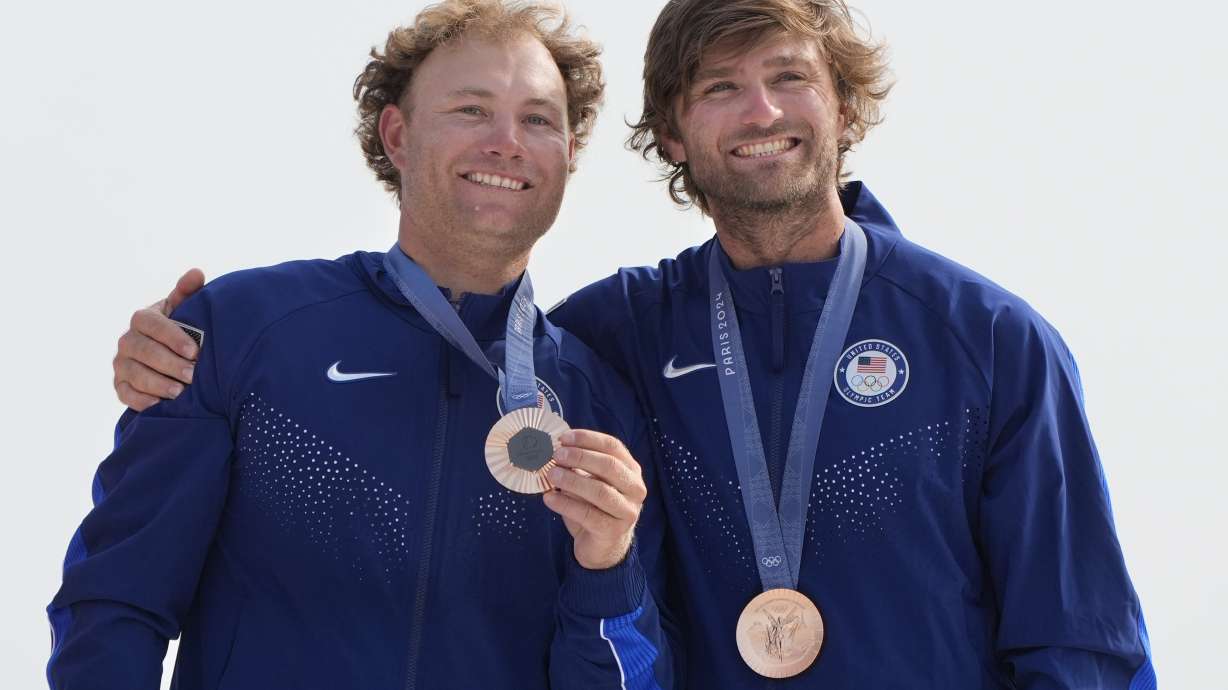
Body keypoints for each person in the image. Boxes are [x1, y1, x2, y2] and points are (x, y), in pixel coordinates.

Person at [108, 0, 1157, 687]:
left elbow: (1081, 646)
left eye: (789, 78)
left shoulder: (988, 341)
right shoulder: (609, 345)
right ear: (671, 136)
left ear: (843, 105)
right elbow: (457, 345)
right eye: (719, 88)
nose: (760, 112)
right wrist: (173, 352)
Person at [47, 2, 678, 689]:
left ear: (568, 154)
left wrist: (606, 572)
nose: (507, 141)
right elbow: (113, 603)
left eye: (537, 119)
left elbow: (627, 679)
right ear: (398, 135)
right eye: (471, 110)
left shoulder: (598, 404)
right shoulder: (242, 330)